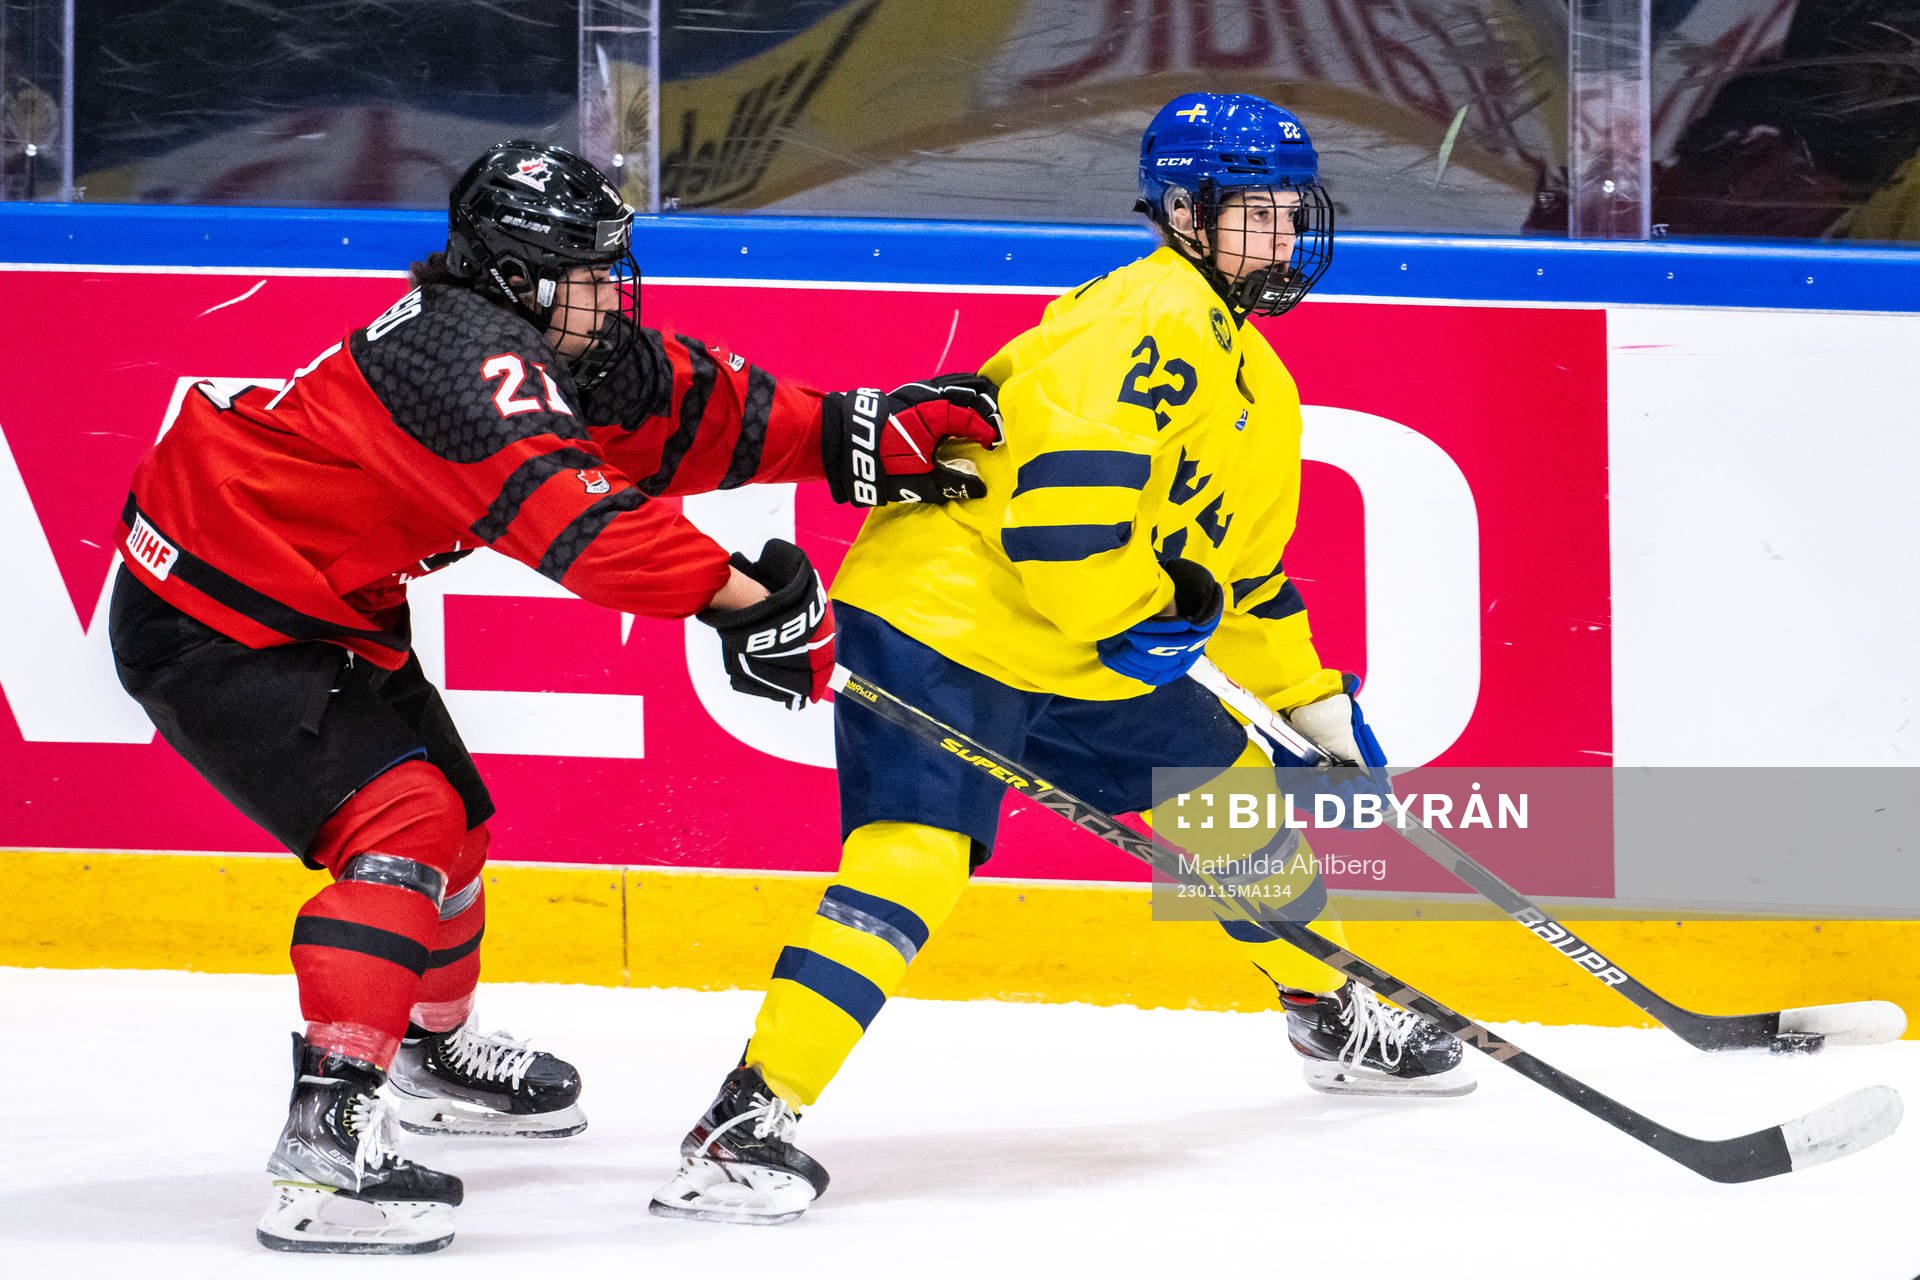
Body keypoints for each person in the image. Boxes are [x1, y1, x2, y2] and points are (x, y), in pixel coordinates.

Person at [107, 139, 1002, 1254]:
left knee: (456, 823)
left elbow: (697, 412)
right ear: (513, 273)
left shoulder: (556, 341)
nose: (607, 292)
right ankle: (325, 1149)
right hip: (214, 608)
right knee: (402, 828)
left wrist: (857, 435)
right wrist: (739, 600)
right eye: (581, 271)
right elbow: (582, 530)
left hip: (316, 596)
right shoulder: (462, 354)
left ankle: (432, 1046)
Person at [648, 93, 1470, 1227]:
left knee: (1230, 804)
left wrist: (1316, 704)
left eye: (1290, 212)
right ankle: (746, 1117)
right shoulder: (1140, 322)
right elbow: (1062, 531)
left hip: (1071, 639)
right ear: (1184, 213)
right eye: (1255, 215)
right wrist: (1137, 621)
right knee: (912, 862)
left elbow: (1240, 577)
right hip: (947, 619)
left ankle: (1329, 1009)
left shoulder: (1258, 383)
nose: (1282, 239)